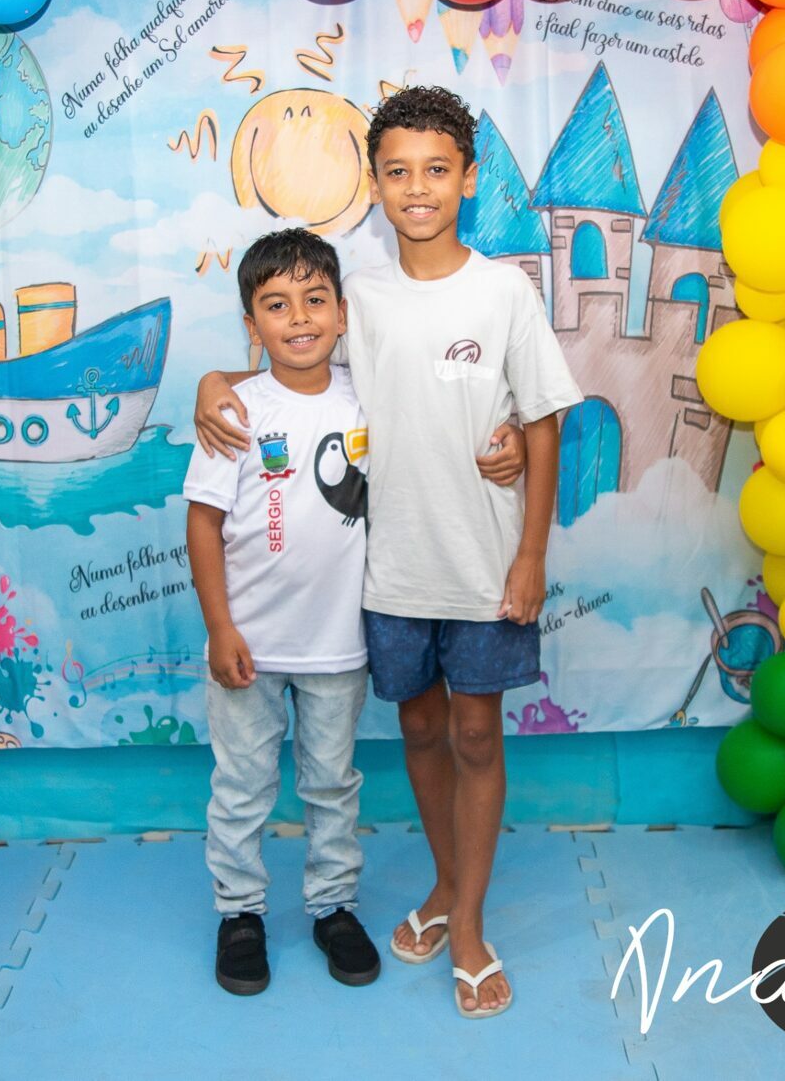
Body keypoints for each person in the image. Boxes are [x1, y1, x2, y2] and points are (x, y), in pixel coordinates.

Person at [195, 86, 582, 1018]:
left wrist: (531, 552)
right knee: (417, 730)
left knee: (477, 734)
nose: (418, 188)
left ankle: (471, 923)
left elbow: (541, 421)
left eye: (437, 169)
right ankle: (445, 885)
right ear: (373, 185)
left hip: (485, 565)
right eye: (399, 171)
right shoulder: (357, 298)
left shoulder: (503, 291)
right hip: (390, 573)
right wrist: (210, 381)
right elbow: (288, 366)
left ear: (469, 179)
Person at [183, 228, 381, 998]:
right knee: (241, 785)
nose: (298, 317)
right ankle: (240, 912)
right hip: (250, 647)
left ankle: (334, 904)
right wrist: (220, 627)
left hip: (338, 645)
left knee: (333, 783)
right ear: (252, 324)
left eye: (315, 299)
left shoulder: (371, 396)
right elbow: (203, 523)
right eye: (276, 304)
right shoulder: (234, 411)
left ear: (341, 314)